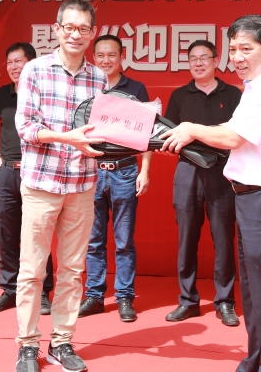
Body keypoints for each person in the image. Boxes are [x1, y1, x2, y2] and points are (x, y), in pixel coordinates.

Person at [160, 15, 261, 371]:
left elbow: (233, 137)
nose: (237, 57)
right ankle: (257, 361)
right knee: (256, 295)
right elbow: (232, 128)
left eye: (246, 49)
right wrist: (186, 136)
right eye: (233, 49)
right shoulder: (257, 86)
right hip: (254, 199)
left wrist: (191, 128)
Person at [14, 0, 108, 372]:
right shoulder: (35, 70)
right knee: (32, 269)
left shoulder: (99, 78)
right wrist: (67, 138)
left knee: (72, 269)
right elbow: (26, 128)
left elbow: (102, 132)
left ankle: (61, 342)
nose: (75, 34)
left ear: (93, 33)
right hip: (41, 183)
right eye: (69, 27)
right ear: (57, 29)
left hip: (82, 185)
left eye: (83, 28)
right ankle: (27, 344)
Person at [163, 39, 242, 326]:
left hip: (223, 172)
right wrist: (167, 144)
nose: (198, 63)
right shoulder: (179, 96)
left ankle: (225, 301)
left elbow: (238, 133)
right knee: (186, 239)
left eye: (204, 58)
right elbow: (166, 133)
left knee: (224, 239)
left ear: (216, 61)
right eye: (193, 59)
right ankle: (188, 301)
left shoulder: (232, 94)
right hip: (188, 171)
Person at [0, 42, 55, 315]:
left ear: (31, 63)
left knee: (37, 233)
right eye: (9, 62)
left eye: (18, 61)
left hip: (37, 173)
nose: (13, 67)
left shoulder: (43, 93)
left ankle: (42, 291)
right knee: (7, 233)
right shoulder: (1, 95)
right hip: (8, 172)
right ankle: (10, 290)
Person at [78, 35, 152, 322]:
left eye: (112, 55)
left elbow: (148, 133)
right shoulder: (86, 87)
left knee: (124, 241)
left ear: (122, 57)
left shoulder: (135, 89)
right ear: (93, 58)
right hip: (92, 171)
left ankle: (124, 297)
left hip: (125, 171)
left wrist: (145, 170)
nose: (106, 60)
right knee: (93, 240)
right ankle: (94, 296)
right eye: (100, 55)